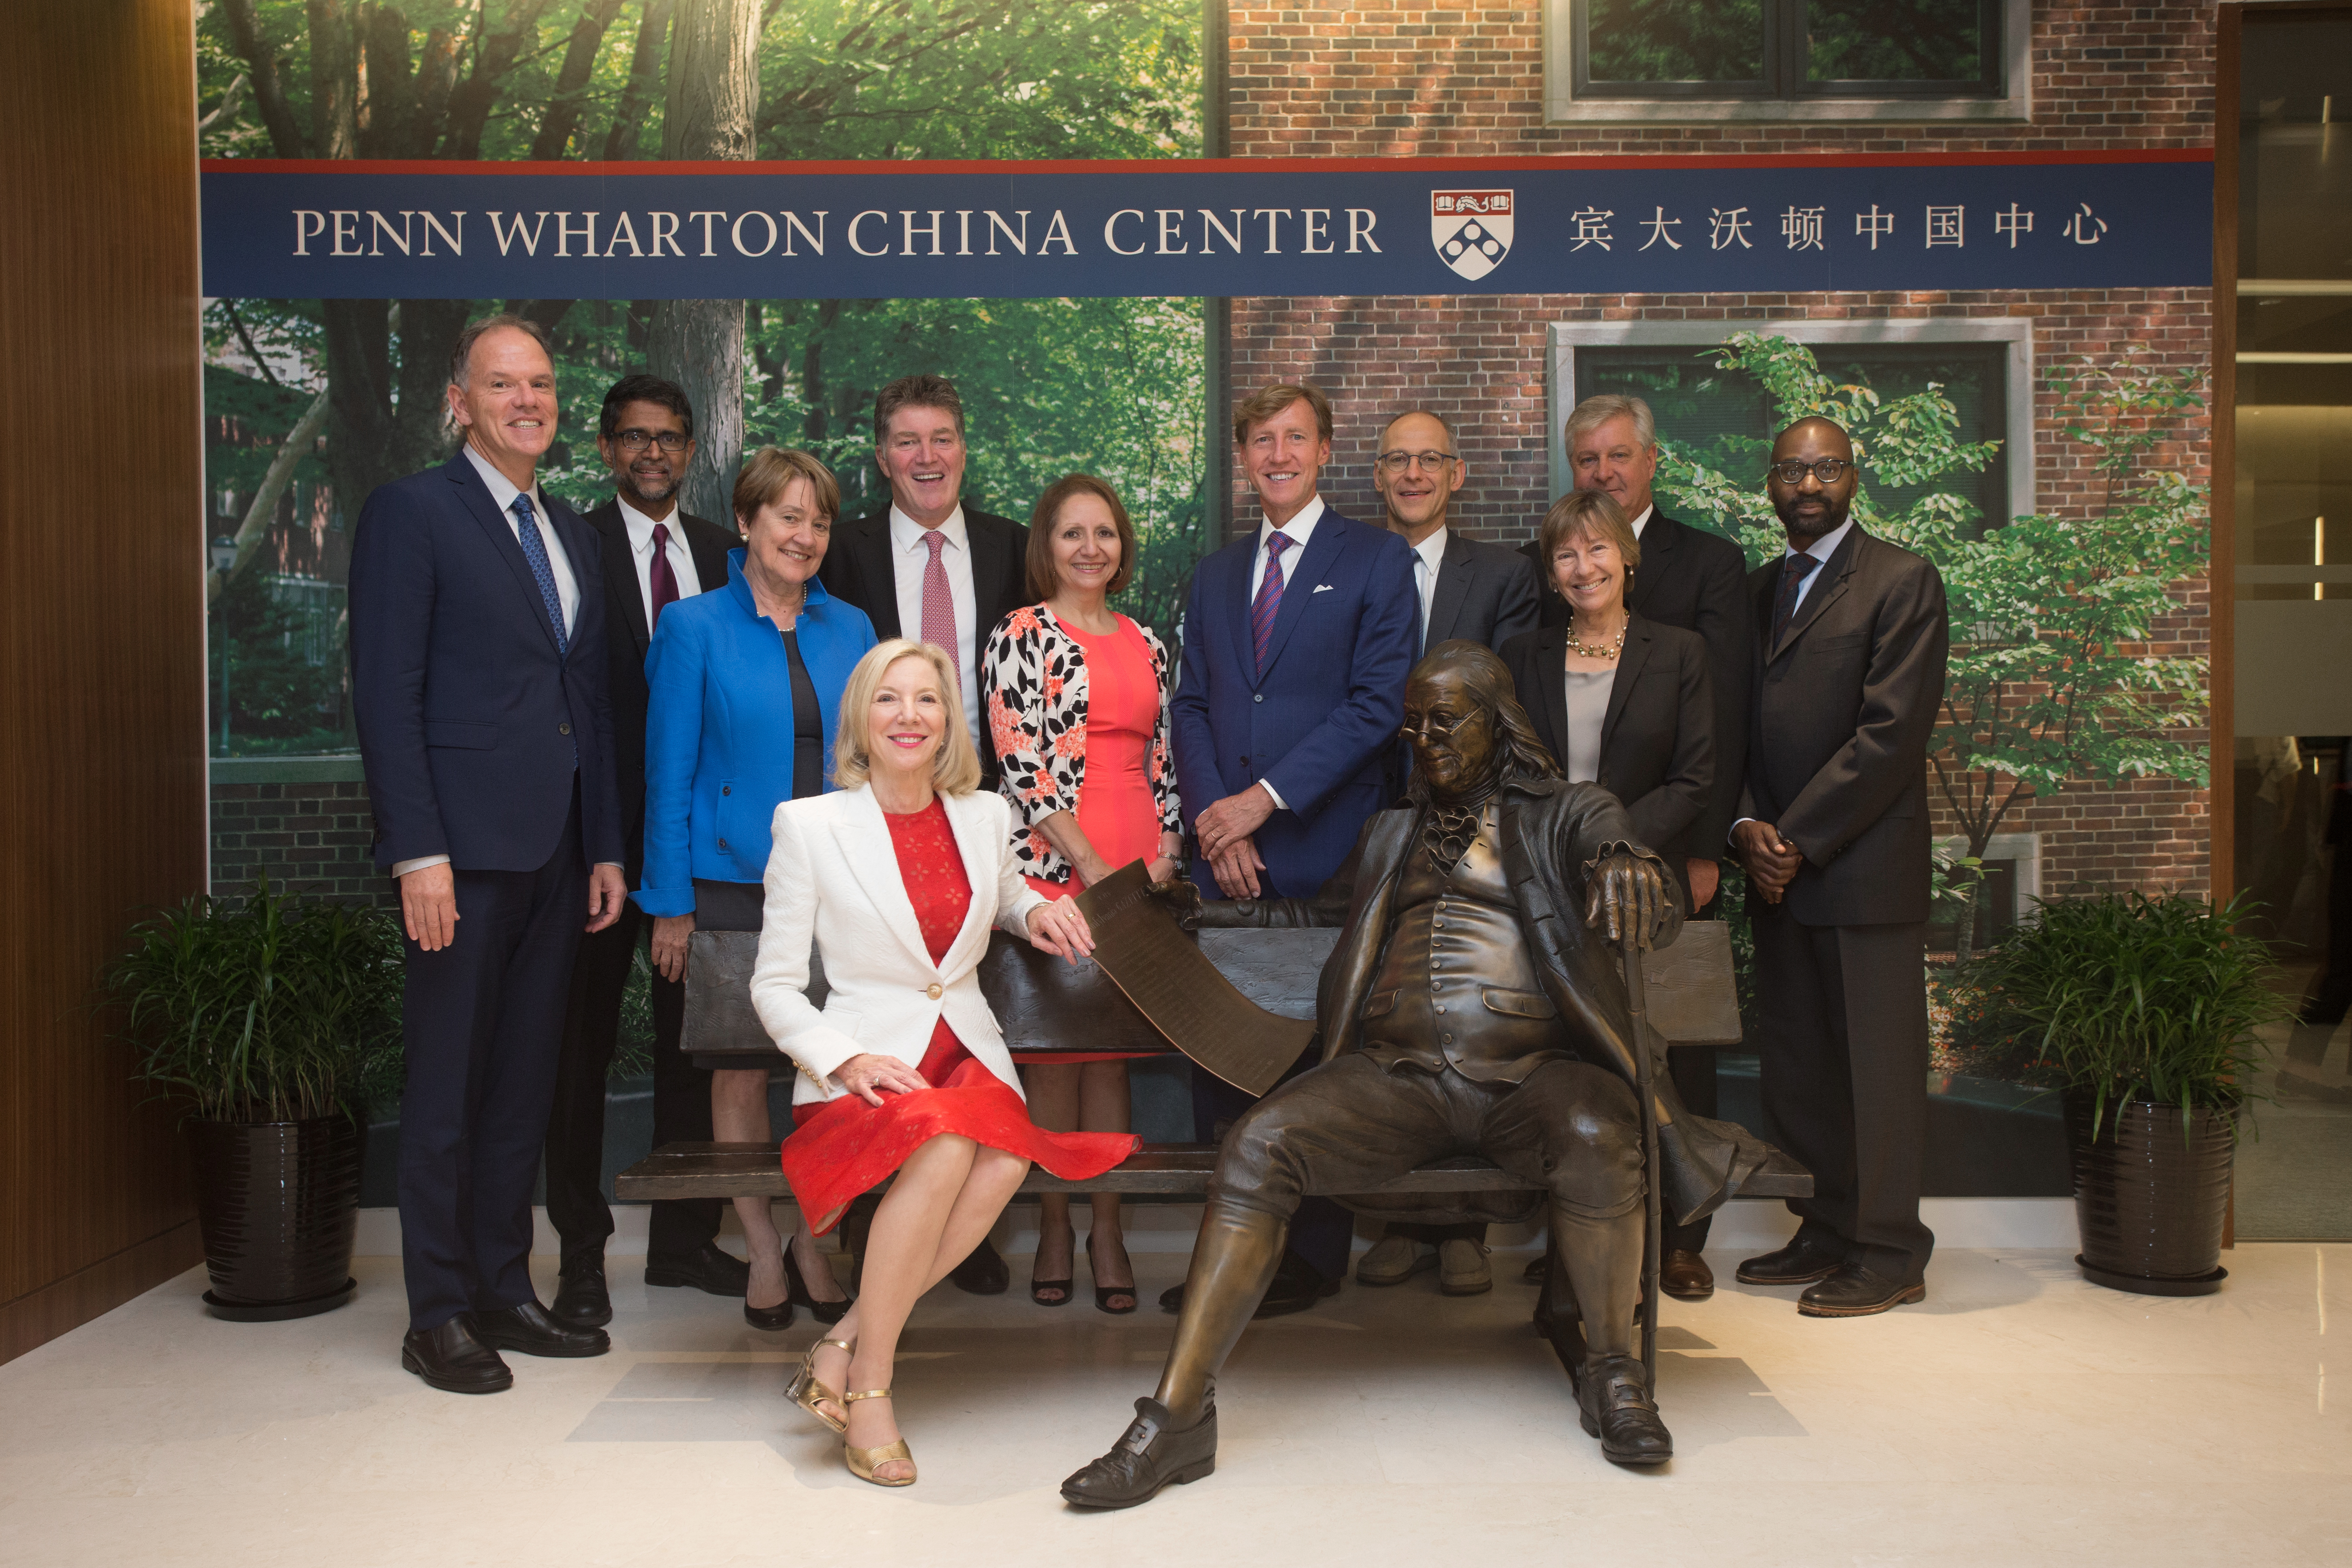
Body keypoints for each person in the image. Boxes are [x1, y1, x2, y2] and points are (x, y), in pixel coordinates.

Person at [1058, 643, 1803, 1509]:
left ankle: (1616, 1373)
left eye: (1444, 720)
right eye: (1413, 724)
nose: (1425, 738)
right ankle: (1177, 1418)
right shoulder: (1391, 832)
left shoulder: (1567, 812)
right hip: (1396, 1078)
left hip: (1535, 1077)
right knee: (1260, 1144)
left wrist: (1627, 868)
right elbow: (1316, 915)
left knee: (1604, 1132)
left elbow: (1624, 858)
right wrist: (1196, 908)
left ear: (1499, 721)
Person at [755, 640, 1137, 1486]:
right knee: (945, 1146)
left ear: (947, 721)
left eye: (926, 701)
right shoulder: (809, 826)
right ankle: (874, 1387)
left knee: (999, 1158)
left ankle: (843, 1341)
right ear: (862, 715)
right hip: (867, 1069)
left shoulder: (983, 815)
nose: (908, 717)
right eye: (889, 700)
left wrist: (1037, 913)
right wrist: (844, 1057)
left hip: (964, 1054)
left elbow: (1000, 895)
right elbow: (775, 988)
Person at [349, 313, 630, 1393]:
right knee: (450, 1086)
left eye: (543, 385)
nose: (528, 401)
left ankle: (508, 1291)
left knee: (524, 1085)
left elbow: (588, 703)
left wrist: (605, 846)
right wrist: (416, 850)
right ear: (458, 402)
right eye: (503, 385)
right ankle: (439, 1313)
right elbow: (388, 693)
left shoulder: (569, 528)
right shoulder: (412, 513)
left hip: (561, 856)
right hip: (457, 860)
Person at [1167, 380, 1419, 1314]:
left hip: (1324, 855)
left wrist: (1261, 804)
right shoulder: (1215, 574)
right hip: (1223, 860)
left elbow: (1377, 705)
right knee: (1218, 1055)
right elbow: (1190, 703)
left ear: (1324, 451)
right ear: (1244, 459)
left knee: (1316, 1060)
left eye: (1295, 438)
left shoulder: (1377, 561)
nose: (1277, 454)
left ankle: (1307, 1260)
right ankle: (1221, 1262)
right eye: (1260, 440)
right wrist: (1213, 817)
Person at [1517, 393, 1754, 1299]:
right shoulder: (1527, 654)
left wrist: (1615, 846)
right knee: (1569, 1064)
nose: (1584, 566)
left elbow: (1699, 776)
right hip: (1550, 885)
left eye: (1597, 550)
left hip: (1640, 880)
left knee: (1664, 1048)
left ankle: (1677, 1235)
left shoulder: (1681, 650)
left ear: (1628, 555)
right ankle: (1579, 1230)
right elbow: (1520, 773)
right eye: (1567, 554)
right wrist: (1557, 849)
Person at [638, 446, 874, 1330]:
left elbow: (869, 756)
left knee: (825, 1073)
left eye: (817, 521)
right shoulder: (692, 627)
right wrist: (670, 903)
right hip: (729, 883)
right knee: (738, 1071)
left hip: (835, 885)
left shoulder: (850, 627)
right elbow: (668, 773)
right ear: (746, 524)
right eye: (788, 517)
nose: (805, 536)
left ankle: (816, 1237)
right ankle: (762, 1248)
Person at [1730, 416, 1950, 1318]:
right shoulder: (1756, 591)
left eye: (1826, 468)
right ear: (1771, 482)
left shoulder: (1902, 582)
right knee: (1802, 1064)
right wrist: (1747, 825)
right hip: (1778, 874)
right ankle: (1824, 1224)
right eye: (1792, 470)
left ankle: (1891, 1247)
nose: (1808, 484)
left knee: (1877, 1069)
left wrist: (1795, 837)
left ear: (1854, 478)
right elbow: (1730, 721)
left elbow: (1890, 735)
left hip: (1860, 869)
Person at [816, 372, 1031, 1294]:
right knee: (890, 1020)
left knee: (960, 1021)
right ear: (881, 456)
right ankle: (880, 1236)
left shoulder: (1012, 547)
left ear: (964, 448)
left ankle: (958, 1233)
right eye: (907, 441)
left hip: (982, 814)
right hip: (883, 817)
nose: (927, 457)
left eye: (942, 437)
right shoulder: (846, 554)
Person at [543, 374, 744, 1331]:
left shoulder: (725, 554)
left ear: (691, 446)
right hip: (593, 844)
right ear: (605, 446)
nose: (652, 453)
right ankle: (583, 1255)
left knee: (691, 1051)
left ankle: (684, 1241)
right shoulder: (569, 544)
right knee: (577, 1053)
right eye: (633, 437)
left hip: (696, 848)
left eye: (668, 437)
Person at [982, 475, 1183, 1313]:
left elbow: (1162, 758)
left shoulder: (1147, 639)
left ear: (1121, 545)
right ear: (1047, 546)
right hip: (1059, 861)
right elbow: (1020, 763)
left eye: (1105, 532)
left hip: (1138, 862)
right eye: (1072, 533)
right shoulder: (1020, 634)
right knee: (1056, 1050)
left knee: (1112, 1053)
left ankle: (1109, 1227)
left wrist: (1168, 844)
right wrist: (1091, 867)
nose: (1090, 548)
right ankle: (1057, 1224)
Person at [1355, 408, 1540, 1296]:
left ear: (1457, 473)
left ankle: (1462, 1232)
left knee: (1459, 1014)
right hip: (1372, 819)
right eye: (1398, 461)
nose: (1414, 474)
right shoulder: (1351, 565)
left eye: (1431, 460)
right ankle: (1395, 1218)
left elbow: (1500, 699)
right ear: (1378, 473)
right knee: (1389, 1017)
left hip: (1470, 821)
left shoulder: (1503, 574)